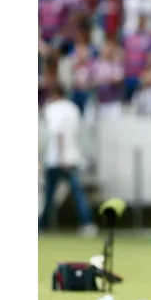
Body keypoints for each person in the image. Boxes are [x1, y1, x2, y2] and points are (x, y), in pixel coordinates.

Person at [38, 85, 97, 237]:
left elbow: (59, 134)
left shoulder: (53, 109)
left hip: (58, 159)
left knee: (50, 195)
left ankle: (42, 225)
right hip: (73, 157)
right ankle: (87, 224)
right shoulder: (73, 108)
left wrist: (61, 158)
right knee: (77, 194)